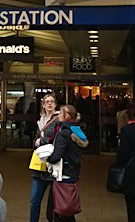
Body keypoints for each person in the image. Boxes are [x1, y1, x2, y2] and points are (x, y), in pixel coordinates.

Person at [46, 105, 89, 222]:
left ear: (67, 116)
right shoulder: (78, 131)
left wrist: (47, 158)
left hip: (62, 174)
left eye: (61, 113)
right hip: (73, 172)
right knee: (67, 209)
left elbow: (56, 156)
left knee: (55, 211)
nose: (58, 115)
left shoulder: (63, 134)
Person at [30, 93, 61, 222]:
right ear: (43, 104)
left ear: (55, 104)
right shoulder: (41, 120)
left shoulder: (58, 119)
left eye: (52, 101)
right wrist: (37, 142)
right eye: (47, 101)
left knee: (54, 204)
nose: (49, 103)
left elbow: (58, 140)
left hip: (52, 166)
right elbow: (34, 141)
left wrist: (41, 141)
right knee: (34, 200)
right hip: (39, 167)